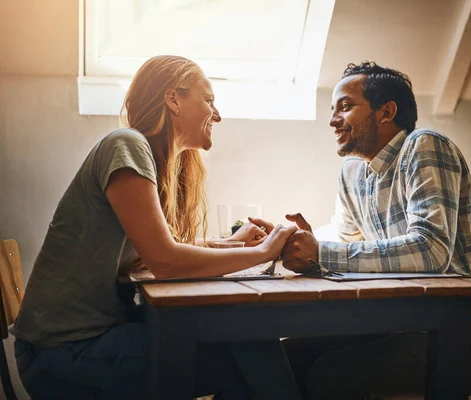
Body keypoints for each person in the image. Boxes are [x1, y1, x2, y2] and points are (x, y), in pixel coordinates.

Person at [12, 55, 302, 400]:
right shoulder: (127, 144)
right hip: (63, 352)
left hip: (75, 341)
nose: (218, 114)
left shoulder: (147, 157)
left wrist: (235, 245)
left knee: (250, 346)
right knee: (251, 360)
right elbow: (165, 261)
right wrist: (263, 251)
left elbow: (157, 248)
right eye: (208, 99)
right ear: (173, 99)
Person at [254, 61, 471, 399]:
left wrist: (319, 252)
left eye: (346, 107)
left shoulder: (425, 147)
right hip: (404, 328)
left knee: (330, 377)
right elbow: (346, 242)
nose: (333, 119)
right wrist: (294, 242)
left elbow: (430, 250)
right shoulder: (352, 172)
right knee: (280, 361)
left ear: (386, 112)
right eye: (333, 109)